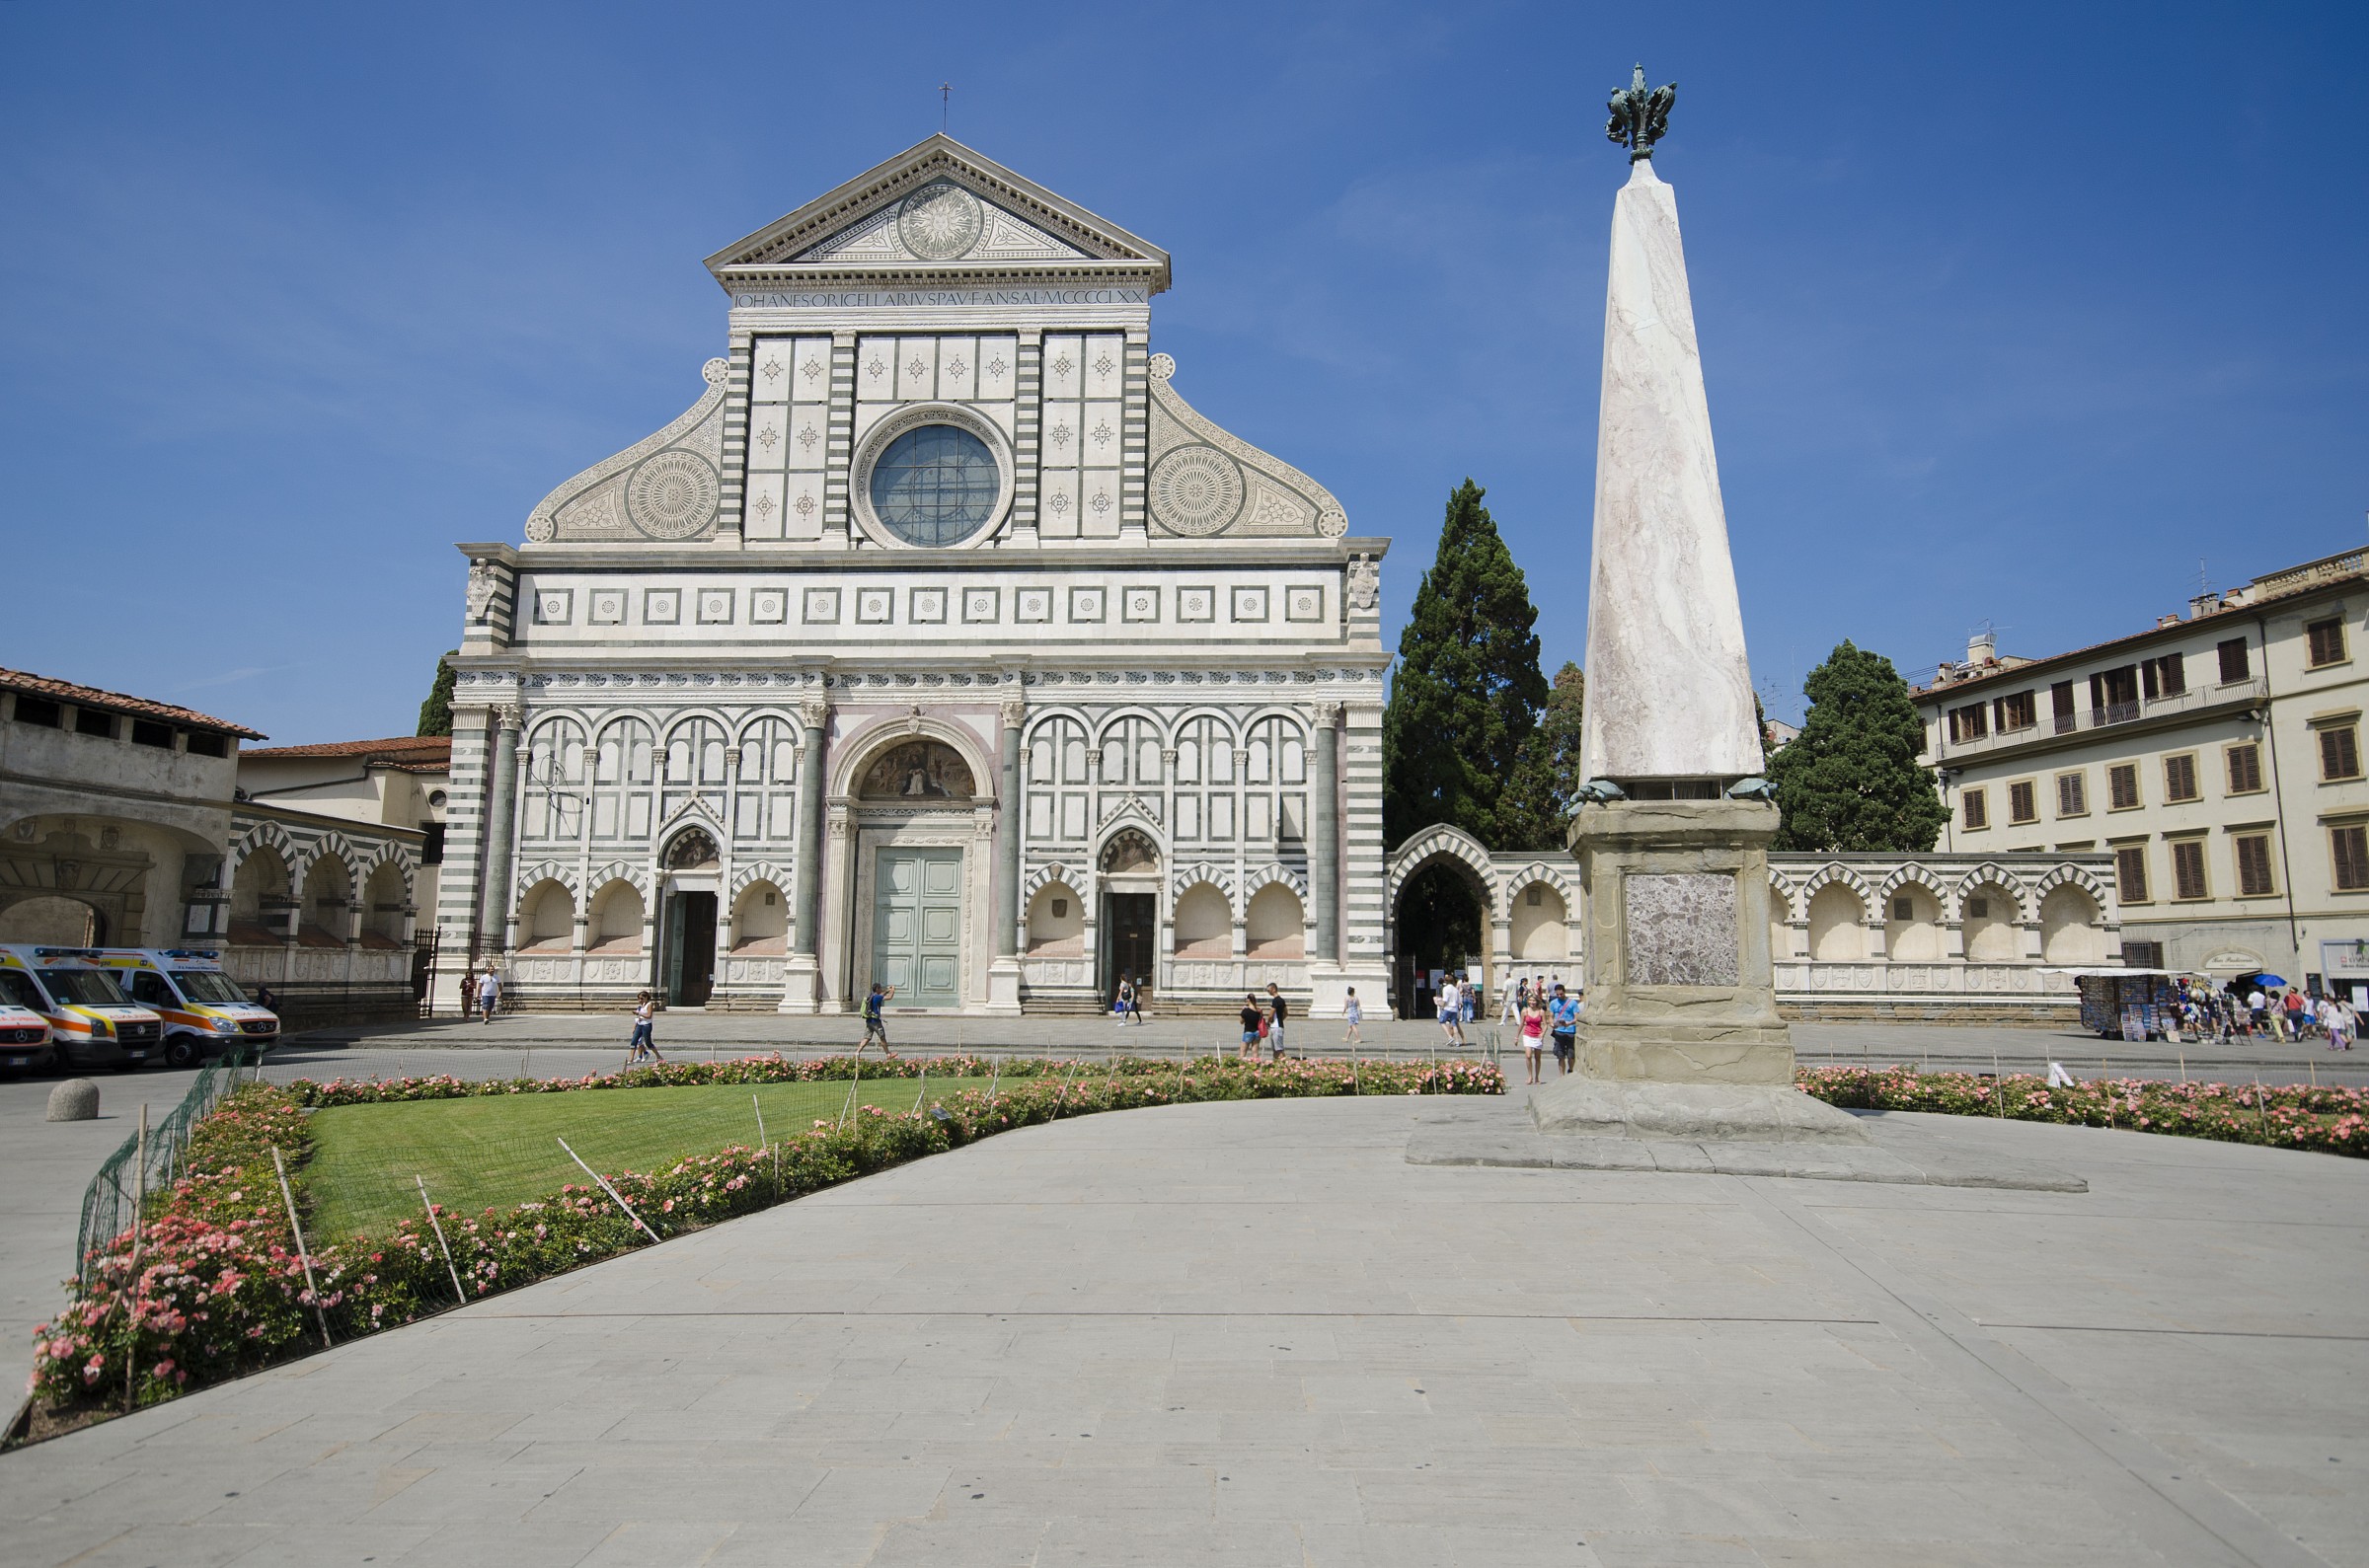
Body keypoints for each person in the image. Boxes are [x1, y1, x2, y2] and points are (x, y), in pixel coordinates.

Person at [1548, 983, 1579, 1077]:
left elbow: (1577, 1018)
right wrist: (1551, 1023)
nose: (1559, 996)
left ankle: (1570, 1070)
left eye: (1561, 994)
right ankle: (1561, 1075)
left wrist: (1568, 1023)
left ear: (1564, 992)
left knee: (1571, 1054)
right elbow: (1551, 1016)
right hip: (1559, 1031)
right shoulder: (1553, 1003)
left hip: (1570, 1031)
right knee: (1560, 1055)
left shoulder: (1572, 1003)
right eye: (1557, 994)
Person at [861, 980, 897, 1058]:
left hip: (869, 1021)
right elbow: (889, 997)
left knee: (866, 1037)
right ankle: (888, 1054)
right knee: (882, 1037)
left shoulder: (871, 996)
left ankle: (857, 1052)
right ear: (877, 988)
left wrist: (887, 990)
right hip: (876, 1022)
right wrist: (893, 990)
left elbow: (882, 994)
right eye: (880, 988)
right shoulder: (877, 997)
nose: (881, 990)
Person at [627, 990, 663, 1065]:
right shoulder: (640, 1006)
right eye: (639, 998)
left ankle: (659, 1056)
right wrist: (634, 1027)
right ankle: (631, 1059)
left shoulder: (649, 1004)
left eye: (641, 998)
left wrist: (639, 1013)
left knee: (648, 1043)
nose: (640, 1000)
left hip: (646, 1026)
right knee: (634, 1041)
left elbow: (649, 1016)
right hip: (639, 1025)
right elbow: (638, 1018)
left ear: (646, 998)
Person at [1518, 993, 1547, 1084]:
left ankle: (1537, 1077)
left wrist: (1542, 1033)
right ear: (1528, 1001)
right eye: (1530, 1000)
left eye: (1533, 1000)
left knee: (1537, 1057)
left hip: (1538, 1035)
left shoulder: (1541, 1012)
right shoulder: (1524, 1011)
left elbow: (1545, 1025)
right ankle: (1530, 1076)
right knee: (1528, 1056)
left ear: (1537, 1001)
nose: (1532, 1002)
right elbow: (1522, 1024)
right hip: (1527, 1034)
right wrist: (1516, 1036)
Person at [1436, 973, 1464, 1049]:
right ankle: (1457, 1041)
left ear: (1446, 981)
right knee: (1454, 1024)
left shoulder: (1445, 989)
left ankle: (1449, 1037)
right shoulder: (1455, 989)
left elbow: (1445, 1000)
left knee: (1441, 1021)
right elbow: (1459, 1001)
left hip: (1448, 1008)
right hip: (1454, 1009)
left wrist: (1441, 1004)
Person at [1264, 982, 1289, 1060]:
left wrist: (1268, 1022)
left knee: (1278, 1049)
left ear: (1273, 989)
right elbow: (1286, 1012)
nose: (1269, 992)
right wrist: (1281, 1019)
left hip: (1276, 1026)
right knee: (1276, 1048)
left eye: (1269, 990)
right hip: (1279, 1025)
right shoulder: (1282, 1000)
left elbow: (1271, 1014)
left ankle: (1283, 1064)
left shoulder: (1275, 1001)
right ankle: (1276, 1063)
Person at [1239, 993, 1263, 1059]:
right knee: (1255, 1052)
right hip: (1257, 1032)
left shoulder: (1245, 1011)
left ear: (1248, 1000)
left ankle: (1241, 1066)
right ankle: (1256, 1065)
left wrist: (1242, 1011)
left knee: (1243, 1052)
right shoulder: (1259, 1011)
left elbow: (1241, 1022)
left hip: (1248, 1032)